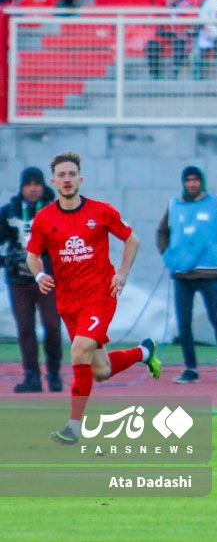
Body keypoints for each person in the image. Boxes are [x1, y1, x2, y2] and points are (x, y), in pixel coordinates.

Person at [26, 152, 161, 445]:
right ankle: (144, 352)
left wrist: (122, 273)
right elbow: (32, 255)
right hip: (68, 301)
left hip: (99, 296)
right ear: (54, 182)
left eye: (71, 174)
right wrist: (39, 275)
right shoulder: (44, 218)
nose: (67, 179)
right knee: (101, 370)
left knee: (79, 350)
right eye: (61, 175)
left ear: (80, 179)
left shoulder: (101, 211)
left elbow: (132, 240)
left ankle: (73, 428)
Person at [156, 166, 217, 384]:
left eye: (195, 180)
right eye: (188, 180)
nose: (192, 184)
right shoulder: (174, 205)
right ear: (183, 183)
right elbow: (162, 232)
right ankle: (191, 368)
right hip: (182, 275)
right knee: (183, 323)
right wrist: (167, 254)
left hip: (209, 273)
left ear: (201, 182)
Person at [0, 167, 61, 393]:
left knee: (52, 326)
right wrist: (5, 260)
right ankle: (32, 376)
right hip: (19, 279)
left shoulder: (57, 210)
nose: (33, 189)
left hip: (48, 279)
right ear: (22, 187)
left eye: (37, 184)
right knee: (25, 328)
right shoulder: (9, 212)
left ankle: (54, 373)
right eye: (28, 185)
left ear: (43, 186)